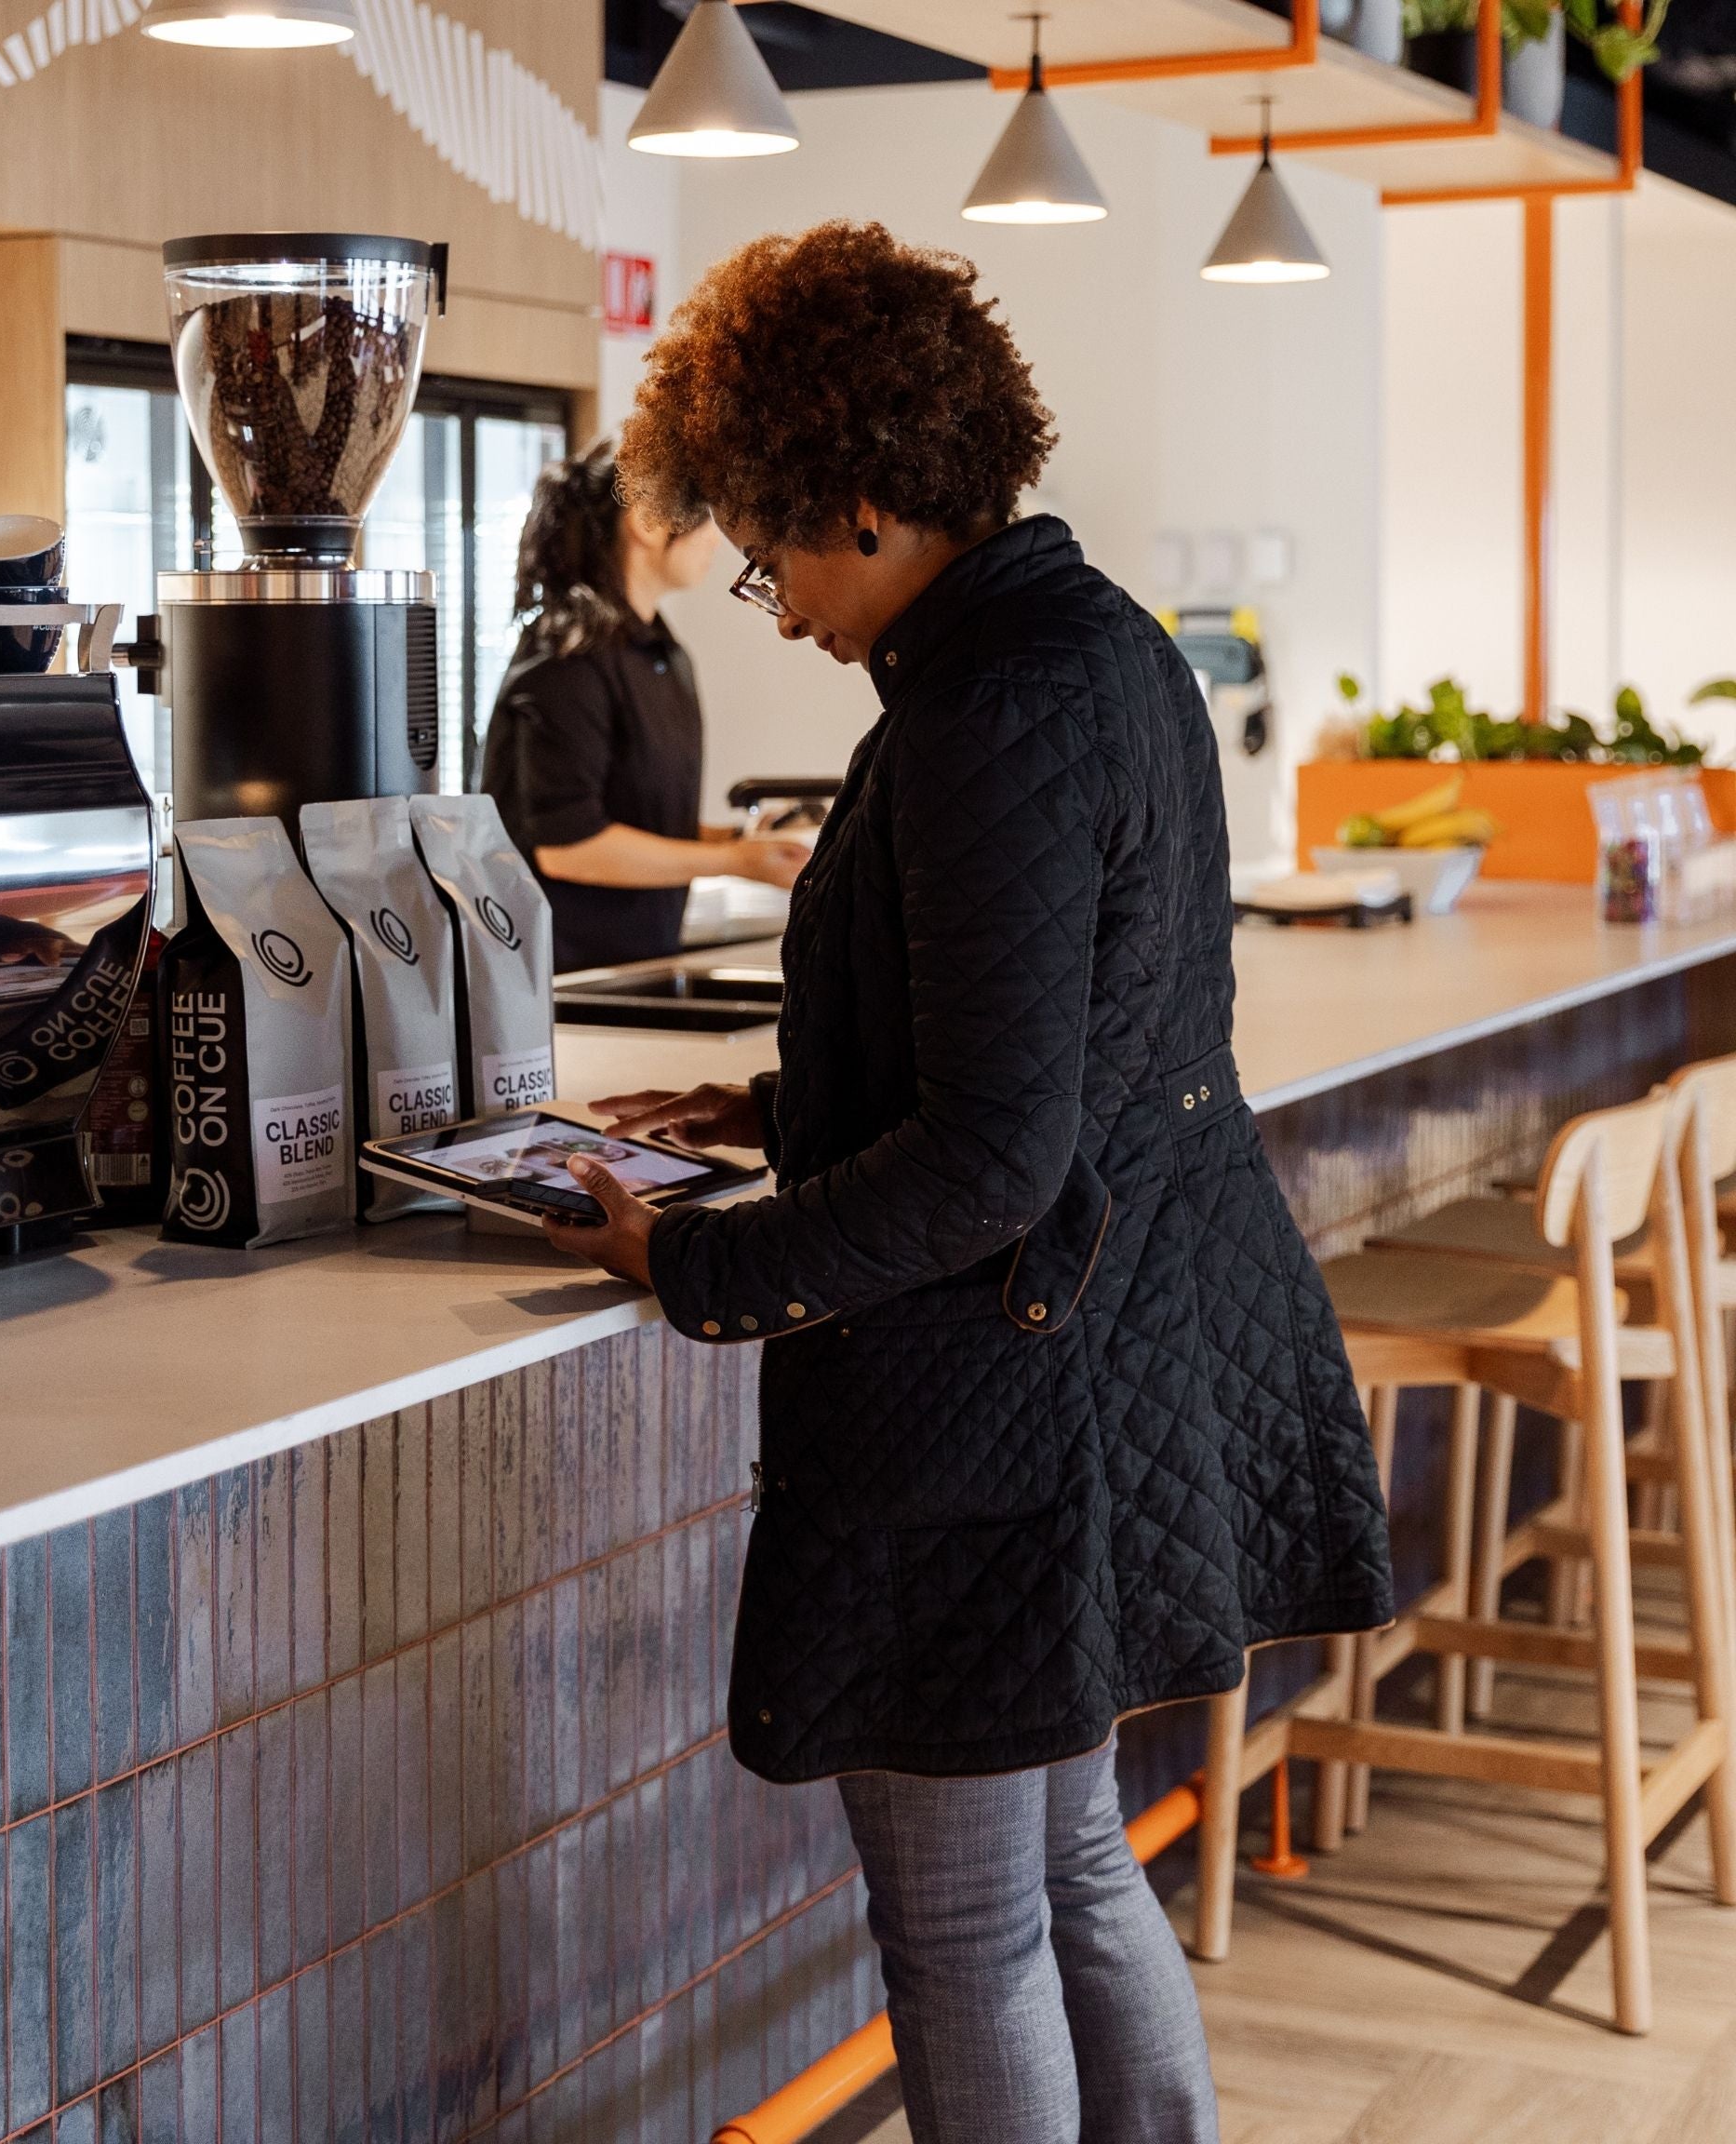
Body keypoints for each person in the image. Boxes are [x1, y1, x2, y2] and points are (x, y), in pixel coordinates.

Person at [540, 222, 1394, 2144]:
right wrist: (773, 1098)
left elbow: (997, 1153)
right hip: (1099, 1362)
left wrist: (696, 1266)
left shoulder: (981, 714)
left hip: (996, 1409)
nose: (773, 608)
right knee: (1075, 1870)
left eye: (776, 556)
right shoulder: (1096, 646)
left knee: (969, 1936)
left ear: (862, 497)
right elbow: (1045, 1048)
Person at [479, 440, 807, 972]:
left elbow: (635, 818)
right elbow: (568, 845)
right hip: (561, 984)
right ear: (649, 523)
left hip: (640, 964)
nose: (715, 542)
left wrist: (742, 838)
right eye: (705, 522)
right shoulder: (568, 657)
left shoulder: (661, 652)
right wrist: (735, 860)